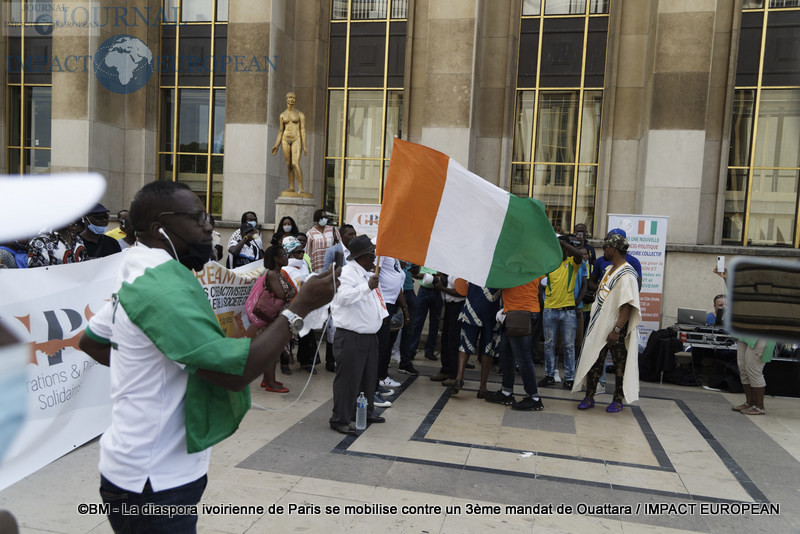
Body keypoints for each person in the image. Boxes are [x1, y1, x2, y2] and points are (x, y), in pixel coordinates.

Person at [77, 181, 337, 532]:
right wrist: (299, 307)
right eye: (198, 217)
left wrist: (152, 363)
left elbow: (93, 341)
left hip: (142, 469)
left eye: (208, 216)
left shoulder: (140, 269)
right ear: (159, 227)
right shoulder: (161, 288)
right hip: (154, 481)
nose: (209, 225)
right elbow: (235, 371)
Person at [573, 233, 642, 413]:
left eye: (606, 247)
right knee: (594, 360)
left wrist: (617, 330)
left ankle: (618, 400)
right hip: (601, 325)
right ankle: (589, 396)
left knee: (620, 365)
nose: (604, 250)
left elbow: (627, 306)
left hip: (616, 328)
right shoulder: (609, 270)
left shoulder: (627, 275)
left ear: (614, 249)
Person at [329, 235, 388, 436]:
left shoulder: (364, 273)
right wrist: (367, 287)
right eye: (372, 255)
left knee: (368, 379)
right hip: (351, 336)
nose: (374, 260)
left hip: (369, 337)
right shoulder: (346, 273)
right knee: (348, 381)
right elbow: (343, 297)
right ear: (363, 257)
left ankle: (363, 411)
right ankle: (340, 419)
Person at [712, 268, 773, 415]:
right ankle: (749, 402)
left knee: (754, 370)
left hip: (761, 337)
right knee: (743, 369)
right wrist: (726, 278)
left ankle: (759, 406)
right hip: (745, 335)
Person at [485, 277, 545, 411]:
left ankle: (534, 398)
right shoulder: (529, 260)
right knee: (507, 354)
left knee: (522, 357)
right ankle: (506, 392)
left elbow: (499, 282)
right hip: (514, 311)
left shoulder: (518, 262)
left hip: (522, 312)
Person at [539, 235, 583, 390]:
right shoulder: (549, 265)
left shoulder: (572, 263)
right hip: (550, 310)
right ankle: (549, 376)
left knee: (569, 346)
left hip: (568, 312)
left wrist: (563, 243)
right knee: (549, 345)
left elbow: (579, 255)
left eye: (563, 248)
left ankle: (569, 378)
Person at [250, 245, 296, 393]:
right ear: (276, 258)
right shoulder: (272, 274)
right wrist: (291, 293)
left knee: (274, 350)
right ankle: (270, 383)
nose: (286, 257)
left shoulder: (279, 273)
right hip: (272, 319)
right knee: (272, 350)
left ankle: (267, 379)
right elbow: (282, 295)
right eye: (283, 255)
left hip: (277, 317)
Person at [449, 283, 502, 398]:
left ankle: (459, 377)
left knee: (465, 342)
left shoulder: (476, 265)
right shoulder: (498, 266)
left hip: (473, 302)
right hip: (492, 305)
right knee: (488, 346)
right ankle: (483, 387)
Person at [323, 224, 357, 372]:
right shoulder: (333, 251)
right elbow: (326, 272)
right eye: (350, 234)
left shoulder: (356, 252)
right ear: (342, 236)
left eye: (355, 234)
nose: (353, 237)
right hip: (337, 294)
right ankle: (330, 360)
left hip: (352, 295)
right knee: (333, 328)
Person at [376, 256, 409, 398]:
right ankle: (374, 384)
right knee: (381, 346)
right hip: (382, 303)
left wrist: (404, 308)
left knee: (386, 345)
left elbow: (397, 283)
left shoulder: (394, 252)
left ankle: (380, 379)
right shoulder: (381, 246)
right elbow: (375, 275)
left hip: (392, 302)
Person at [271, 92, 310, 197]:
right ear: (286, 99)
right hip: (285, 139)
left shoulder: (300, 114)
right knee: (288, 164)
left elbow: (303, 130)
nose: (292, 99)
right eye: (290, 97)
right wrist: (276, 145)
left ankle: (301, 188)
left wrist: (305, 145)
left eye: (294, 98)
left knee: (295, 163)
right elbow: (280, 131)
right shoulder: (282, 115)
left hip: (296, 138)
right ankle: (292, 186)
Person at [409, 266, 442, 363]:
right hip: (424, 291)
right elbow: (416, 275)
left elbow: (444, 276)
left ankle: (430, 350)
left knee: (435, 323)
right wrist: (433, 275)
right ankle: (411, 350)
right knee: (417, 322)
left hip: (437, 292)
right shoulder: (425, 260)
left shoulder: (442, 259)